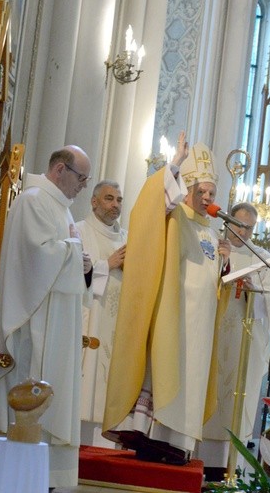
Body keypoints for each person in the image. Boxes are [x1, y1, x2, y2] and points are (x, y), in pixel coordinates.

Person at [102, 131, 231, 465]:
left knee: (191, 376)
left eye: (211, 192)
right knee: (165, 370)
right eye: (200, 190)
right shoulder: (173, 217)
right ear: (185, 190)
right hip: (173, 317)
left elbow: (209, 277)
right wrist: (174, 166)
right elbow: (153, 203)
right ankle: (154, 435)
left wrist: (225, 262)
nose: (206, 197)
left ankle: (179, 443)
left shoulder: (211, 230)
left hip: (199, 327)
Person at [0, 145, 92, 489]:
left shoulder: (60, 209)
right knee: (35, 392)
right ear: (60, 169)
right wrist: (76, 250)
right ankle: (26, 480)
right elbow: (39, 258)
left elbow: (63, 259)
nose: (83, 186)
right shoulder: (35, 200)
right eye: (81, 177)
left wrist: (84, 263)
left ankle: (44, 480)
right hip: (36, 324)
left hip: (56, 321)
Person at [199, 202, 270, 478]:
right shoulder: (211, 246)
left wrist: (252, 291)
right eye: (239, 225)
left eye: (249, 228)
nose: (243, 232)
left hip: (245, 339)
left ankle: (230, 464)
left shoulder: (264, 259)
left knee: (236, 397)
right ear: (227, 221)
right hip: (213, 333)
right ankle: (197, 459)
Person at [76, 180, 128, 448]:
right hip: (90, 319)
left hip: (117, 323)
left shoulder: (126, 238)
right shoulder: (79, 231)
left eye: (119, 200)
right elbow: (73, 275)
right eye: (109, 199)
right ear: (94, 202)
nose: (115, 205)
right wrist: (106, 265)